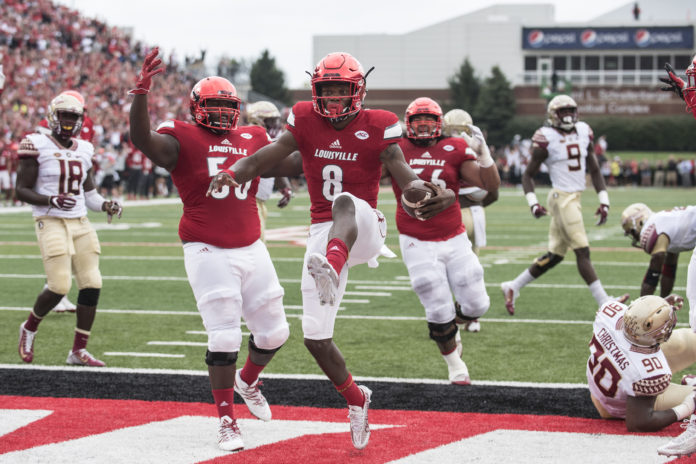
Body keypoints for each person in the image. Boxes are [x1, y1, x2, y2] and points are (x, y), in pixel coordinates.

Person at [208, 51, 456, 450]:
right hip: (323, 235)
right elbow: (268, 154)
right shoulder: (304, 118)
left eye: (342, 90)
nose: (335, 99)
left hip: (365, 224)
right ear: (315, 91)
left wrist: (425, 191)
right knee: (315, 337)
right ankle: (358, 401)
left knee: (345, 202)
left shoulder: (379, 124)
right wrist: (233, 172)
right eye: (328, 90)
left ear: (358, 91)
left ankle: (333, 264)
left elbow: (401, 170)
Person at [128, 48, 290, 452]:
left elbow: (292, 161)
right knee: (223, 338)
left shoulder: (253, 136)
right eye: (213, 107)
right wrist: (141, 93)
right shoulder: (180, 136)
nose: (221, 114)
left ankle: (248, 381)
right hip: (206, 247)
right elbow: (142, 139)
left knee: (275, 333)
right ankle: (226, 421)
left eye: (227, 107)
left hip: (252, 244)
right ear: (197, 108)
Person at [386, 97, 499, 384]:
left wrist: (484, 155)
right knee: (432, 297)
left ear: (440, 124)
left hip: (453, 234)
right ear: (407, 124)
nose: (423, 127)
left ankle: (453, 324)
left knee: (477, 305)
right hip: (415, 236)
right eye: (417, 121)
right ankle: (454, 363)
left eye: (429, 121)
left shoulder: (455, 147)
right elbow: (366, 178)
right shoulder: (395, 149)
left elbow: (489, 186)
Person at [15, 92, 123, 368]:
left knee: (92, 283)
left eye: (73, 117)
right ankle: (29, 328)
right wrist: (50, 200)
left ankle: (78, 351)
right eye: (64, 115)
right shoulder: (35, 143)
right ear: (53, 116)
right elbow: (21, 190)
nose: (68, 121)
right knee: (59, 285)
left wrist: (107, 205)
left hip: (81, 221)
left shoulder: (85, 148)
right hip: (50, 219)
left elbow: (90, 196)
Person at [500, 95, 628, 315]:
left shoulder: (584, 131)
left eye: (571, 110)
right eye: (563, 111)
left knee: (555, 256)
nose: (568, 115)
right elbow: (527, 175)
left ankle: (513, 285)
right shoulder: (545, 137)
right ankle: (605, 302)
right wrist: (533, 203)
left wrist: (604, 201)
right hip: (561, 198)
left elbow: (595, 170)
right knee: (582, 251)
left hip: (574, 197)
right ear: (553, 114)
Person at [588, 294, 696, 437]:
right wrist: (687, 407)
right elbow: (638, 423)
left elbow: (638, 319)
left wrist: (657, 305)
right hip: (620, 405)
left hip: (616, 372)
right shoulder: (645, 372)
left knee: (685, 342)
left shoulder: (609, 312)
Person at [442, 108, 499, 333]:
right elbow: (494, 191)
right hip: (477, 213)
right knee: (473, 265)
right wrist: (478, 202)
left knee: (448, 266)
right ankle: (472, 316)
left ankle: (449, 315)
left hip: (455, 213)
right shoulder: (476, 146)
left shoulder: (445, 150)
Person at [621, 203, 696, 300]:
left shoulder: (651, 228)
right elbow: (669, 269)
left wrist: (641, 304)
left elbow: (656, 263)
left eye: (632, 232)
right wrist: (663, 301)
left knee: (693, 293)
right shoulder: (664, 222)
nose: (634, 237)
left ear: (639, 222)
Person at [246, 101, 293, 241]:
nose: (275, 124)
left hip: (259, 202)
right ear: (257, 120)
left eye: (276, 120)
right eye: (271, 121)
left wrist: (284, 186)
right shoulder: (250, 138)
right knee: (256, 248)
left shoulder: (266, 139)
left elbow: (274, 163)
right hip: (249, 201)